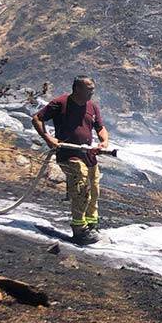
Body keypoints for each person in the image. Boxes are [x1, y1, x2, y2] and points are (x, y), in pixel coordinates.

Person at [32, 75, 110, 245]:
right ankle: (79, 229)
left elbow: (100, 128)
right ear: (77, 89)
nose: (92, 92)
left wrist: (103, 142)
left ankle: (92, 224)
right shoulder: (60, 103)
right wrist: (48, 138)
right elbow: (37, 118)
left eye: (93, 89)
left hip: (88, 153)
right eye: (89, 89)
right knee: (81, 186)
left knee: (94, 188)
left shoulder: (93, 107)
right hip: (69, 153)